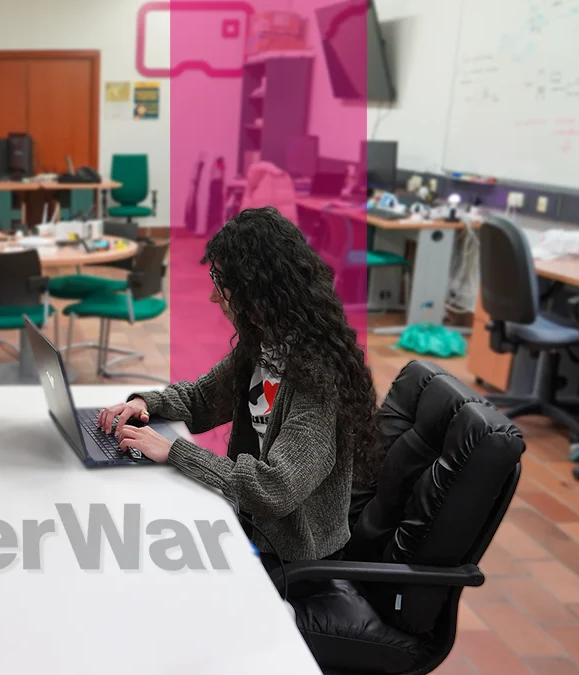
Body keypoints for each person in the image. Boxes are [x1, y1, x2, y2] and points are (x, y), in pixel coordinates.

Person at [97, 206, 383, 582]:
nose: (215, 297)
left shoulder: (317, 377)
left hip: (293, 560)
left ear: (258, 289)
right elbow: (201, 399)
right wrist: (144, 403)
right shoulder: (265, 343)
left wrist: (173, 450)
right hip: (252, 527)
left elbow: (275, 487)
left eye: (222, 284)